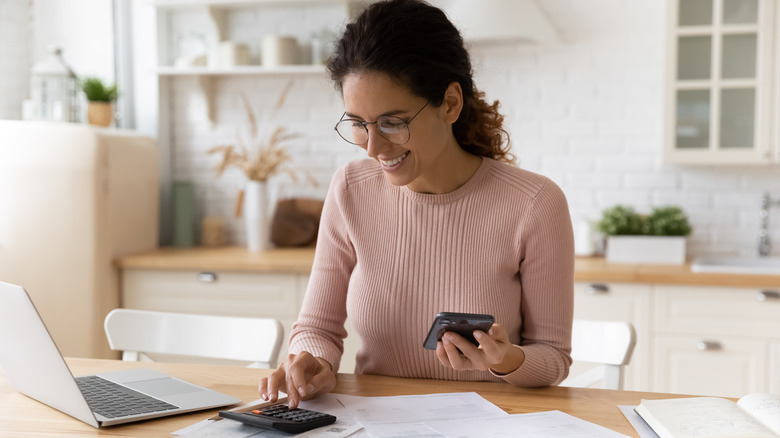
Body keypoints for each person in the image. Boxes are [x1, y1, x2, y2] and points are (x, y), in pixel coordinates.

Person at [260, 0, 574, 408]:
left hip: (489, 423)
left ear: (450, 104)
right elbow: (318, 327)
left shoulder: (534, 204)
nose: (373, 147)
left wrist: (508, 359)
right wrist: (312, 361)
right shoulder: (351, 189)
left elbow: (553, 357)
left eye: (393, 122)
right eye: (358, 123)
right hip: (373, 423)